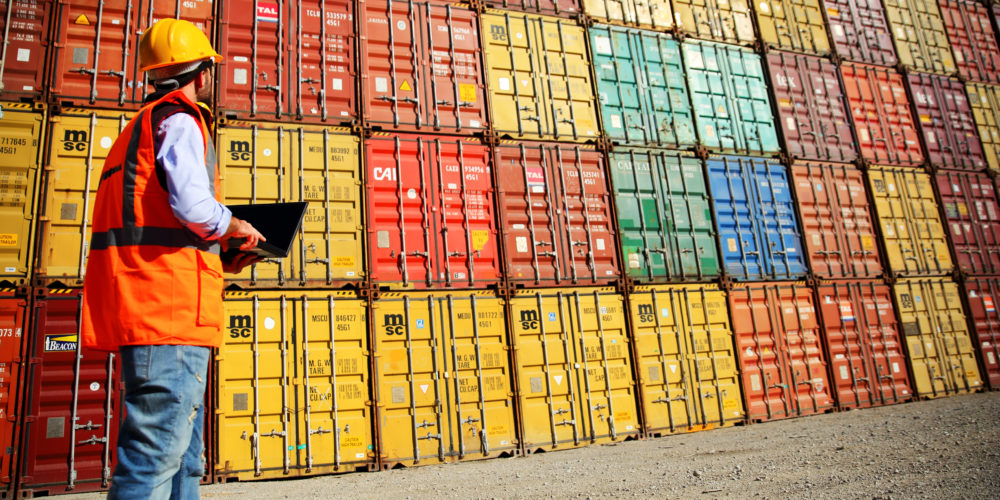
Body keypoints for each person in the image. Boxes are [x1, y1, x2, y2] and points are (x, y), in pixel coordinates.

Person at [80, 18, 264, 499]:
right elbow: (192, 206)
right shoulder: (181, 119)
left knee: (184, 460)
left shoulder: (135, 129)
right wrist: (236, 227)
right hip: (168, 315)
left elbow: (153, 223)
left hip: (154, 305)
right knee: (155, 460)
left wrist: (221, 258)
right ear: (201, 72)